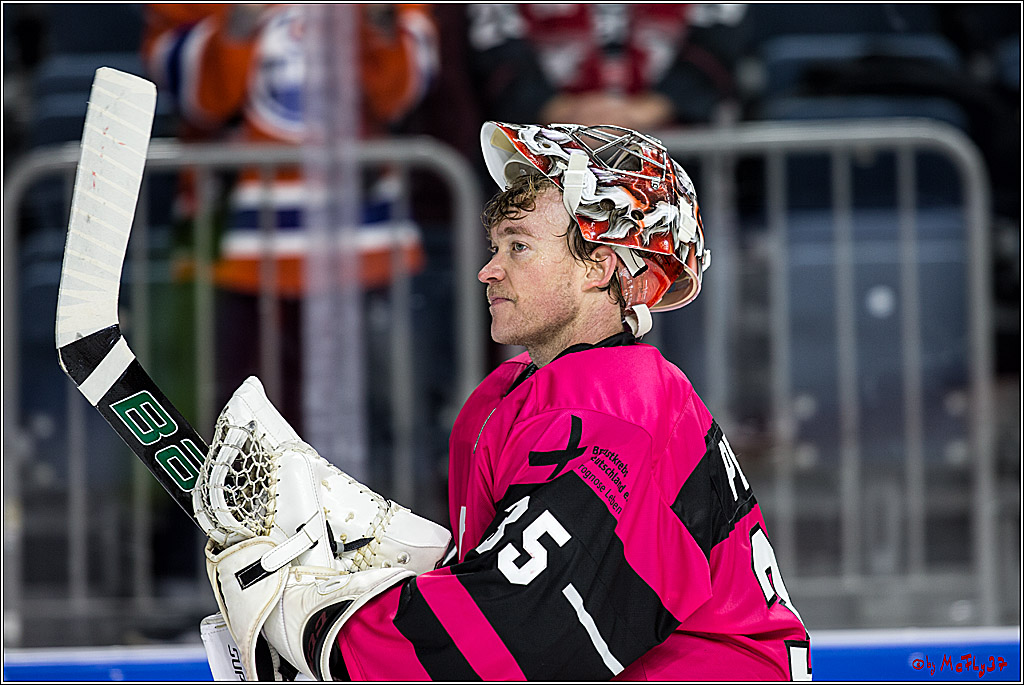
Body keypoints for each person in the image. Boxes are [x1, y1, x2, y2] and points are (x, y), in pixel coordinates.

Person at [200, 121, 811, 681]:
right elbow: (497, 580)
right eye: (495, 246)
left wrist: (318, 628)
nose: (488, 271)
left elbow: (517, 632)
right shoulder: (507, 399)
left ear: (599, 266)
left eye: (518, 246)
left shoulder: (621, 411)